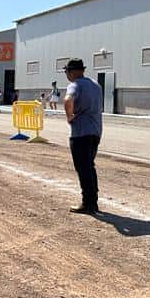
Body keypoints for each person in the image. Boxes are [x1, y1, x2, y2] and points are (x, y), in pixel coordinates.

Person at [62, 58, 103, 214]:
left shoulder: (75, 85)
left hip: (80, 132)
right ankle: (93, 200)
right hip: (96, 131)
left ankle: (88, 203)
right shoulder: (96, 85)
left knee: (83, 168)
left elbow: (68, 100)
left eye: (67, 72)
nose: (66, 75)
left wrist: (69, 117)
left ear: (71, 72)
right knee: (89, 166)